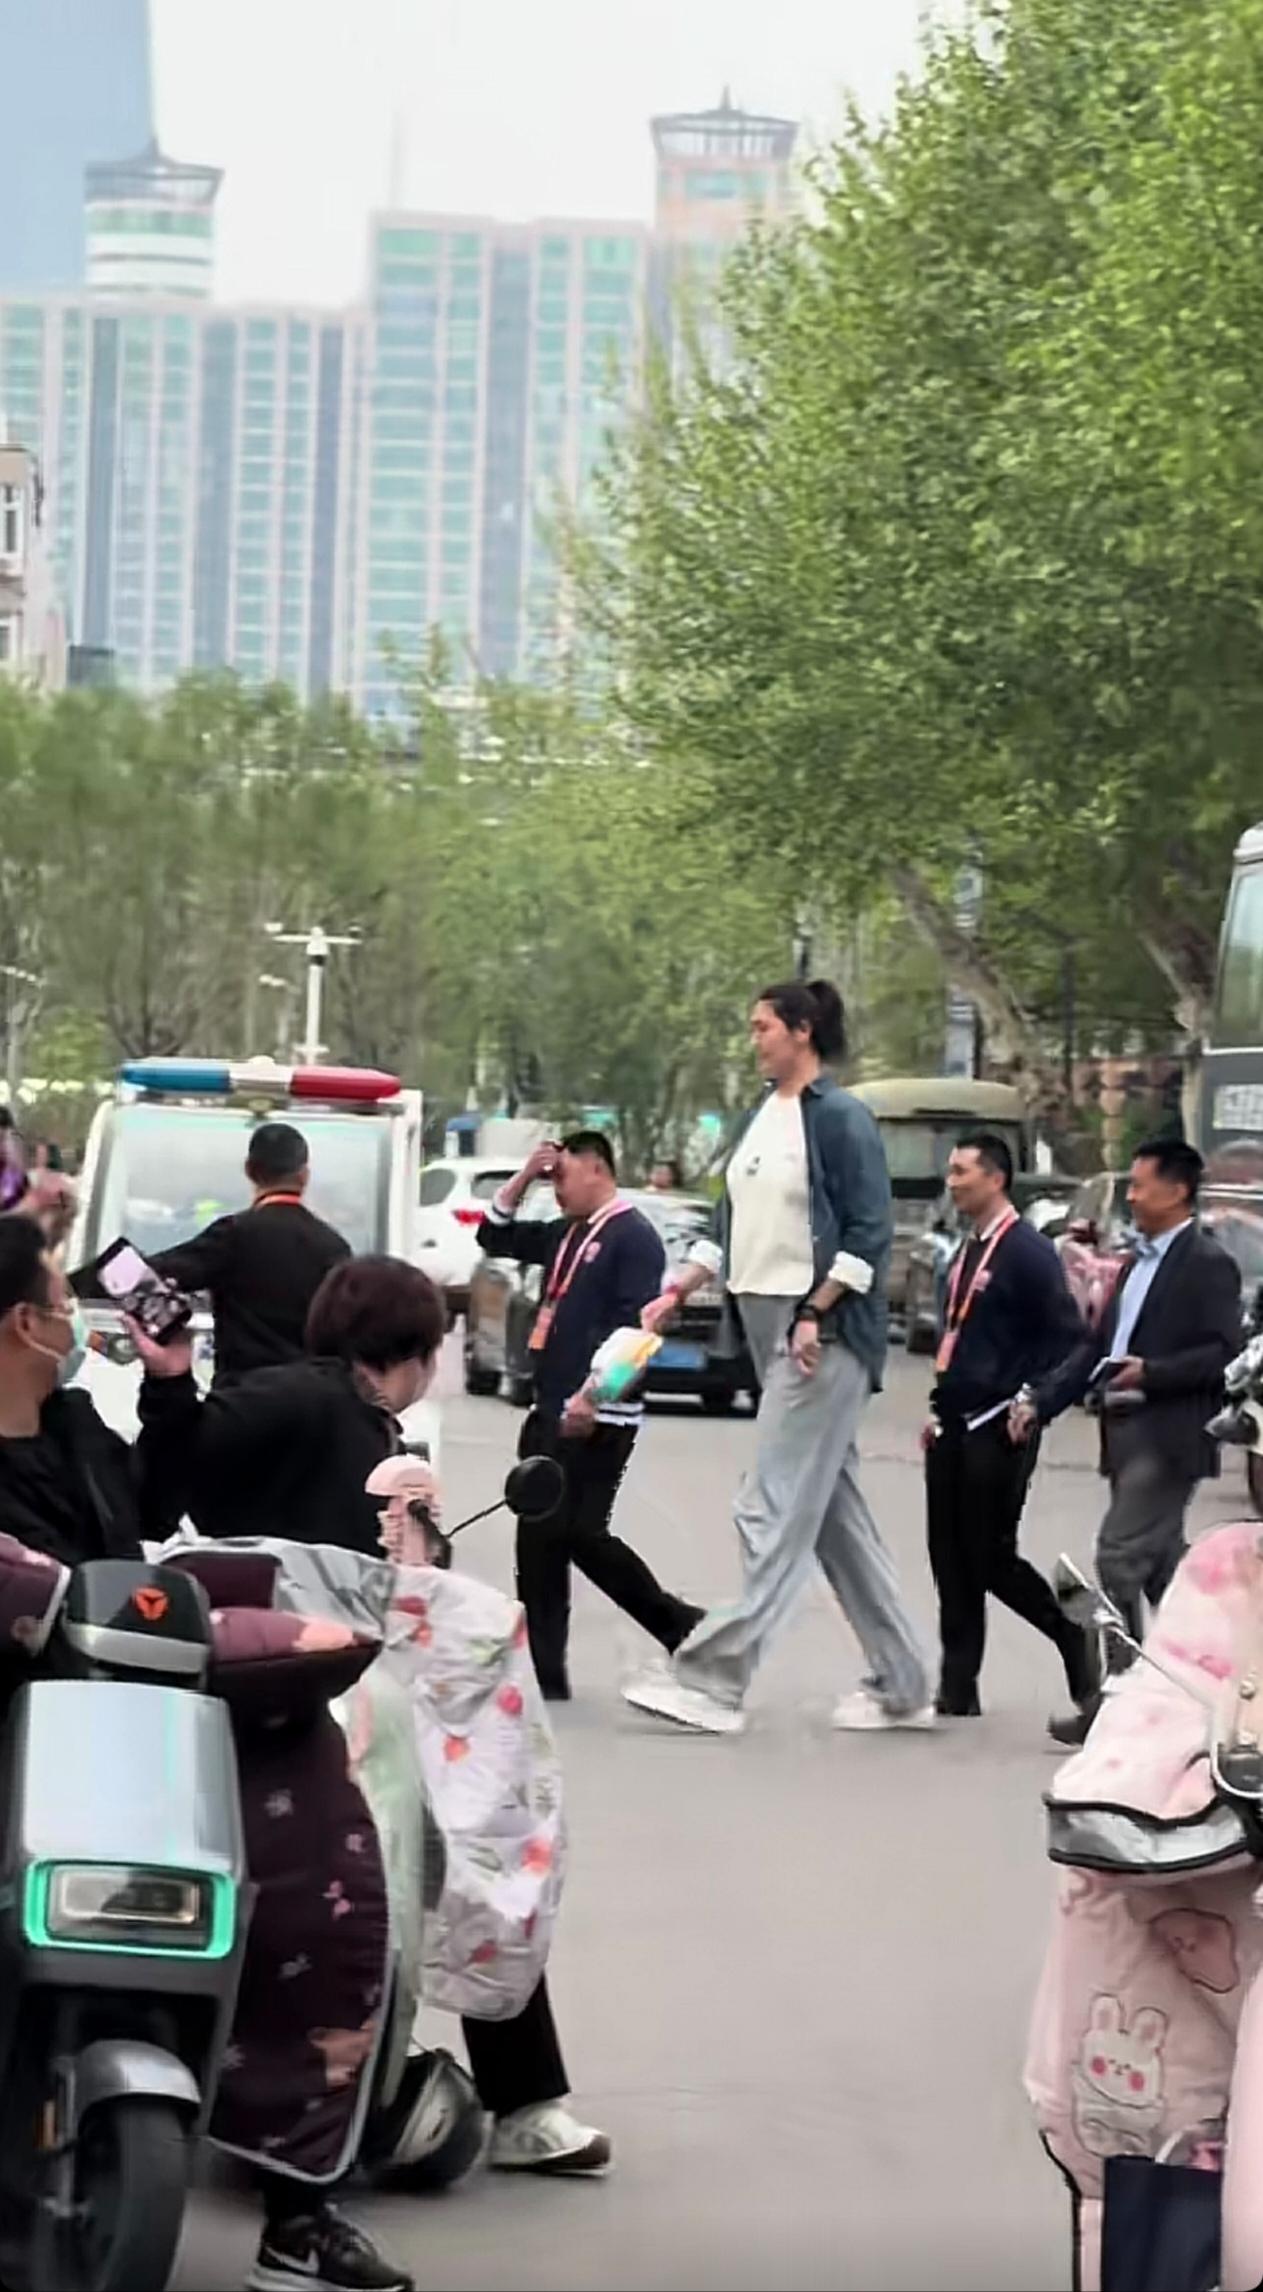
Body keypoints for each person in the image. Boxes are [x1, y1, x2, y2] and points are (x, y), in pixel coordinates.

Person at [0, 1216, 414, 2292]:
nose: (77, 1321)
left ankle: (298, 2208)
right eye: (63, 1303)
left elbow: (157, 1508)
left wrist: (172, 1378)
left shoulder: (76, 1427)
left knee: (305, 1825)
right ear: (23, 1323)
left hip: (121, 1730)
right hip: (19, 1734)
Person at [624, 978, 932, 1736]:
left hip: (820, 1333)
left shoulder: (842, 1119)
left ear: (802, 1030)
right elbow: (727, 1224)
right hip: (764, 1324)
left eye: (762, 1026)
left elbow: (868, 1233)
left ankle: (715, 1679)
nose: (753, 1039)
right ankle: (903, 1683)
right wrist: (679, 1288)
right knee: (830, 1517)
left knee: (769, 1503)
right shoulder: (758, 1115)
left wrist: (815, 1312)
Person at [369, 1457, 612, 2176]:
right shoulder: (262, 1426)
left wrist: (417, 1555)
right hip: (285, 1679)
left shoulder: (374, 1437)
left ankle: (525, 2102)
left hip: (400, 1698)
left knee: (481, 1867)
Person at [1020, 1136, 1242, 1747]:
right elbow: (1097, 1350)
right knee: (1166, 1574)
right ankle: (1215, 1686)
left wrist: (1153, 1372)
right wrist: (1040, 1402)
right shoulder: (1132, 1262)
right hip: (1121, 1431)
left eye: (1142, 1186)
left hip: (1169, 1437)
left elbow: (1224, 1354)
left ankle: (1122, 1700)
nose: (1133, 1197)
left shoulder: (1206, 1263)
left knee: (1117, 1557)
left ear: (1177, 1191)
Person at [475, 1131, 703, 1699]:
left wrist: (594, 1397)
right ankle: (545, 1670)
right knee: (538, 1541)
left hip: (600, 1413)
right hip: (550, 1405)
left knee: (579, 1532)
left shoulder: (632, 1237)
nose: (557, 1188)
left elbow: (636, 1333)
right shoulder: (565, 1233)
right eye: (550, 1179)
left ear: (597, 1168)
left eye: (563, 1175)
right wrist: (525, 1177)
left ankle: (679, 1624)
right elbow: (493, 1234)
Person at [921, 1132, 1099, 1724]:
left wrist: (1032, 1398)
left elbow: (1068, 1339)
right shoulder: (967, 1247)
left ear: (996, 1178)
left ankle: (1073, 1638)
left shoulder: (1027, 1252)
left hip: (998, 1423)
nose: (952, 1182)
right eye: (950, 1171)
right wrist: (938, 1404)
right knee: (949, 1556)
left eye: (962, 1172)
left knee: (990, 1555)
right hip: (953, 1419)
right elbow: (960, 1333)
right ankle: (958, 1685)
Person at [136, 1253, 447, 1550]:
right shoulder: (302, 1397)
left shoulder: (369, 1424)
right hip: (254, 1586)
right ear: (418, 1355)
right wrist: (170, 1381)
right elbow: (181, 1456)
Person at [76, 1119, 351, 1383]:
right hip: (313, 1398)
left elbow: (153, 1273)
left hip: (240, 1396)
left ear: (250, 1170)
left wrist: (75, 1285)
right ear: (304, 1176)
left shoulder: (235, 1234)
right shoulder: (335, 1247)